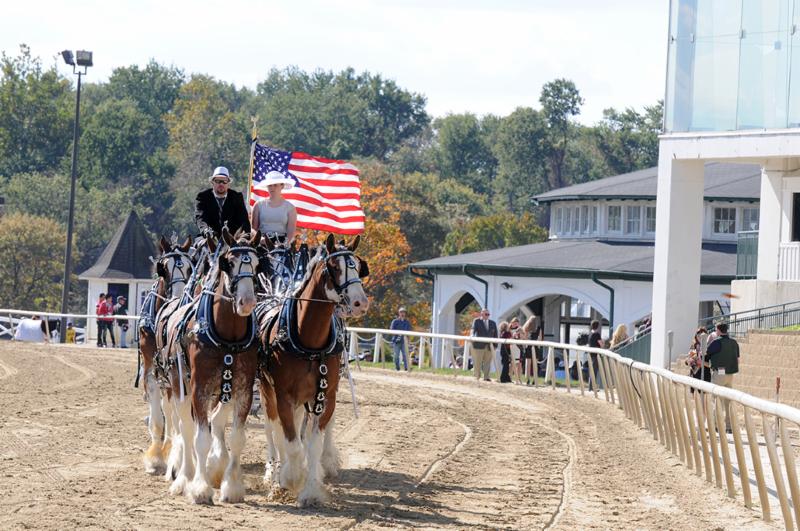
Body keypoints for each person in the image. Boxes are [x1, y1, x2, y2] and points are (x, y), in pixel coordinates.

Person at [194, 166, 251, 238]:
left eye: (224, 181)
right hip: (208, 236)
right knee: (201, 247)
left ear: (228, 183)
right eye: (218, 181)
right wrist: (205, 230)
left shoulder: (236, 197)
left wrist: (245, 235)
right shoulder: (202, 197)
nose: (221, 184)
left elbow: (244, 220)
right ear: (212, 182)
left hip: (233, 238)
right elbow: (200, 217)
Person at [706, 322, 739, 431]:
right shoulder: (734, 342)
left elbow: (707, 354)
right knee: (728, 402)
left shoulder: (716, 342)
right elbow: (737, 359)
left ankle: (716, 425)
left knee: (716, 400)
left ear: (718, 330)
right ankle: (729, 426)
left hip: (719, 373)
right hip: (730, 374)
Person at [251, 170, 298, 244]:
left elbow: (291, 230)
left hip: (282, 244)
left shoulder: (290, 207)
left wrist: (285, 244)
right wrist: (260, 239)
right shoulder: (258, 205)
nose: (272, 188)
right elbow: (253, 228)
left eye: (275, 185)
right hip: (262, 242)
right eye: (270, 185)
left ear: (282, 186)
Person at [470, 308, 498, 381]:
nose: (487, 316)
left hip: (489, 346)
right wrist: (472, 336)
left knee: (487, 362)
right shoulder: (476, 321)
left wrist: (495, 345)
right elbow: (473, 329)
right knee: (478, 362)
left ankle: (486, 377)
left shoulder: (493, 323)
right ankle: (477, 376)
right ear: (481, 314)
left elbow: (495, 335)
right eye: (486, 314)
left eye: (488, 314)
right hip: (479, 345)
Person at [389, 307, 412, 371]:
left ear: (405, 313)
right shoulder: (395, 321)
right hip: (396, 341)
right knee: (396, 356)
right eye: (401, 312)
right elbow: (391, 330)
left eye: (403, 312)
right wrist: (398, 335)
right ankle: (397, 368)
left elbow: (409, 332)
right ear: (399, 313)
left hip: (404, 342)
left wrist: (409, 341)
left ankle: (406, 368)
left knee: (405, 355)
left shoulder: (407, 322)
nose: (402, 314)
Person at [522, 314, 543, 385]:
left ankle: (527, 379)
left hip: (529, 347)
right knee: (535, 364)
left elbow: (524, 338)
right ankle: (535, 379)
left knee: (528, 364)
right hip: (536, 347)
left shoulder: (527, 328)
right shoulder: (539, 328)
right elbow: (540, 339)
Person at [587, 320, 603, 389]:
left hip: (590, 354)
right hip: (596, 354)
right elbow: (601, 344)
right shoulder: (597, 334)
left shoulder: (590, 334)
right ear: (598, 326)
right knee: (594, 371)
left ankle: (590, 386)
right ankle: (592, 387)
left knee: (592, 370)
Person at [509, 317, 524, 385]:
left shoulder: (520, 329)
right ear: (511, 323)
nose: (515, 324)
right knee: (512, 363)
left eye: (516, 323)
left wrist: (520, 333)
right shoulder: (508, 329)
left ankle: (519, 379)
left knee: (519, 364)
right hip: (512, 347)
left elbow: (523, 338)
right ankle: (510, 378)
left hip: (518, 348)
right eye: (514, 322)